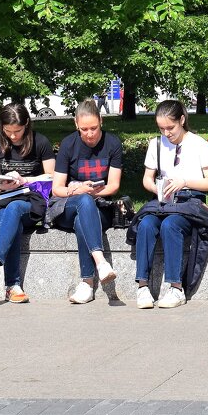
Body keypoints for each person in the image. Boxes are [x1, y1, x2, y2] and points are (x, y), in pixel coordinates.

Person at [134, 99, 208, 308]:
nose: (166, 133)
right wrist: (157, 188)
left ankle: (176, 287)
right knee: (146, 224)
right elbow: (147, 179)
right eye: (161, 128)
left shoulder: (199, 144)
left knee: (171, 225)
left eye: (170, 128)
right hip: (164, 201)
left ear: (182, 120)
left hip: (189, 201)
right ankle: (143, 286)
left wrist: (185, 182)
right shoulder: (156, 144)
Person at [0, 104, 55, 303]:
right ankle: (13, 287)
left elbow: (52, 177)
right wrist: (5, 184)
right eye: (8, 131)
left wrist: (25, 180)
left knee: (15, 209)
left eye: (17, 131)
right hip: (3, 198)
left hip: (31, 200)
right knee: (10, 218)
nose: (13, 136)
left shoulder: (40, 142)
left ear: (26, 124)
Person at [48, 99, 123, 304]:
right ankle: (100, 262)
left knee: (84, 219)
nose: (89, 134)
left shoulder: (113, 143)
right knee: (83, 202)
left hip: (99, 206)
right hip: (67, 206)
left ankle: (87, 284)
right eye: (84, 129)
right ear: (75, 124)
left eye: (94, 128)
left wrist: (91, 193)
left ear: (101, 121)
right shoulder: (68, 144)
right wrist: (79, 191)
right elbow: (57, 189)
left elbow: (113, 186)